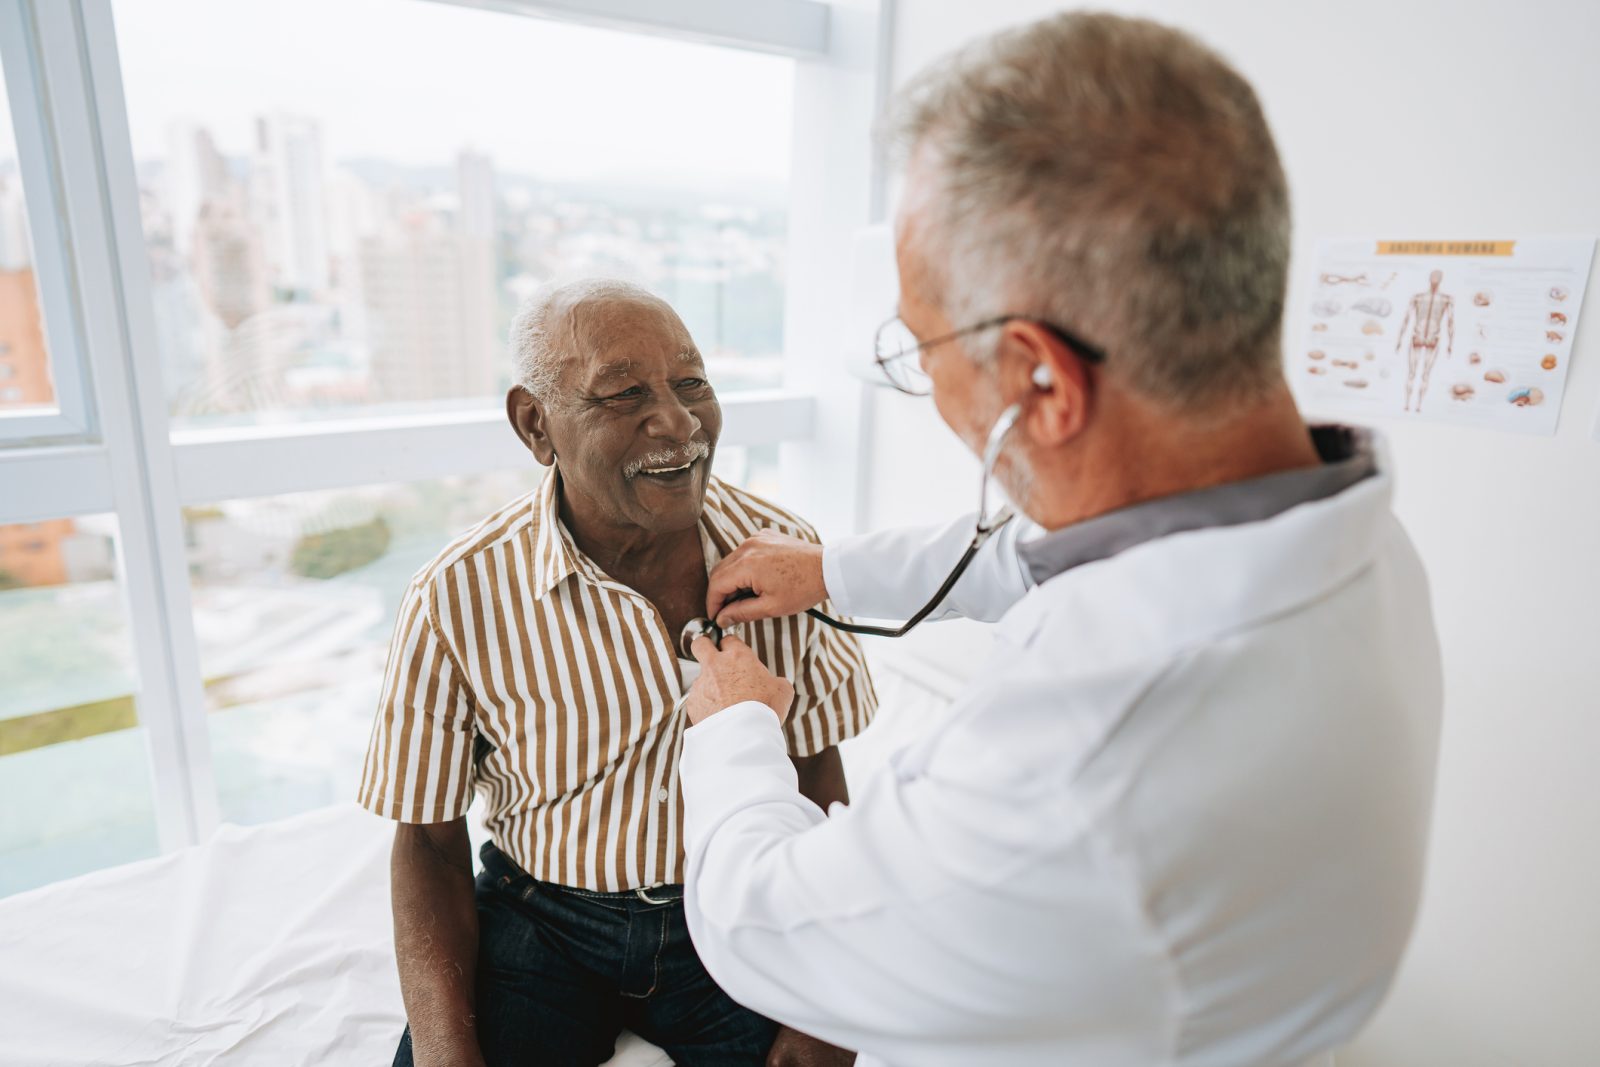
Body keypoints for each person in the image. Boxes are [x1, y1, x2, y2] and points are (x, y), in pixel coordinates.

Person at [678, 13, 1442, 1067]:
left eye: (917, 344)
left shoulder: (1079, 764)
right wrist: (831, 569)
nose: (922, 377)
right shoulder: (1342, 532)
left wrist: (734, 726)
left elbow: (756, 918)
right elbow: (1059, 555)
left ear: (1040, 380)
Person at [358, 279, 873, 1067]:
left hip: (730, 906)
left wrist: (823, 1010)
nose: (676, 420)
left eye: (691, 381)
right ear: (536, 424)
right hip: (544, 920)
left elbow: (816, 776)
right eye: (624, 392)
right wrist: (443, 1051)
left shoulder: (786, 553)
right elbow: (427, 840)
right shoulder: (456, 594)